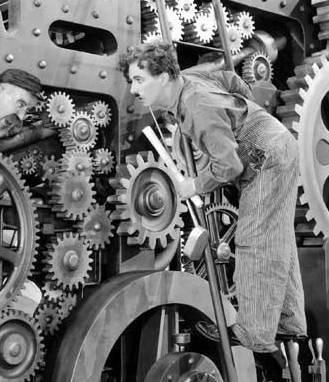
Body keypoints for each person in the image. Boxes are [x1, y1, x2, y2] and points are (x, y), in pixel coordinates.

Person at [119, 42, 306, 380]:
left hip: (266, 157)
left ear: (164, 77)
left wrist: (194, 185)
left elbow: (229, 165)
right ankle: (287, 322)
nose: (133, 90)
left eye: (139, 80)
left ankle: (254, 333)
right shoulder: (191, 81)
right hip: (276, 144)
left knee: (255, 239)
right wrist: (241, 113)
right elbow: (234, 81)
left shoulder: (196, 105)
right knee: (277, 238)